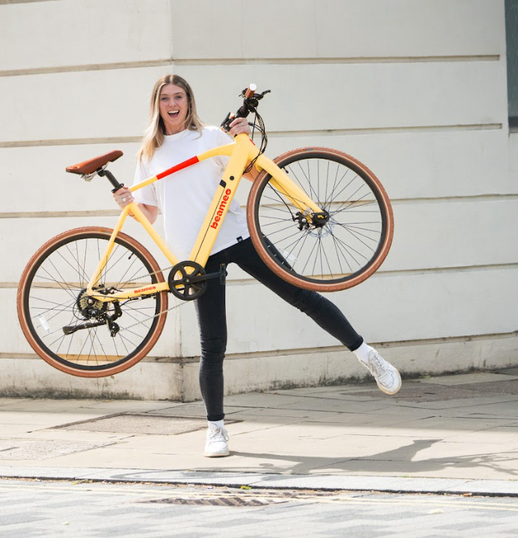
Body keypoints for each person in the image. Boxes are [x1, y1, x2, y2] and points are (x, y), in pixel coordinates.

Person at [114, 74, 402, 458]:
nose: (172, 103)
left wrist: (242, 137)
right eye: (165, 98)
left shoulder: (211, 137)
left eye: (178, 96)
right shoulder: (149, 154)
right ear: (157, 104)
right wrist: (126, 204)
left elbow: (252, 174)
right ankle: (215, 429)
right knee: (213, 343)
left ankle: (369, 356)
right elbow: (148, 211)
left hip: (235, 234)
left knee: (303, 296)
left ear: (189, 101)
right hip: (195, 254)